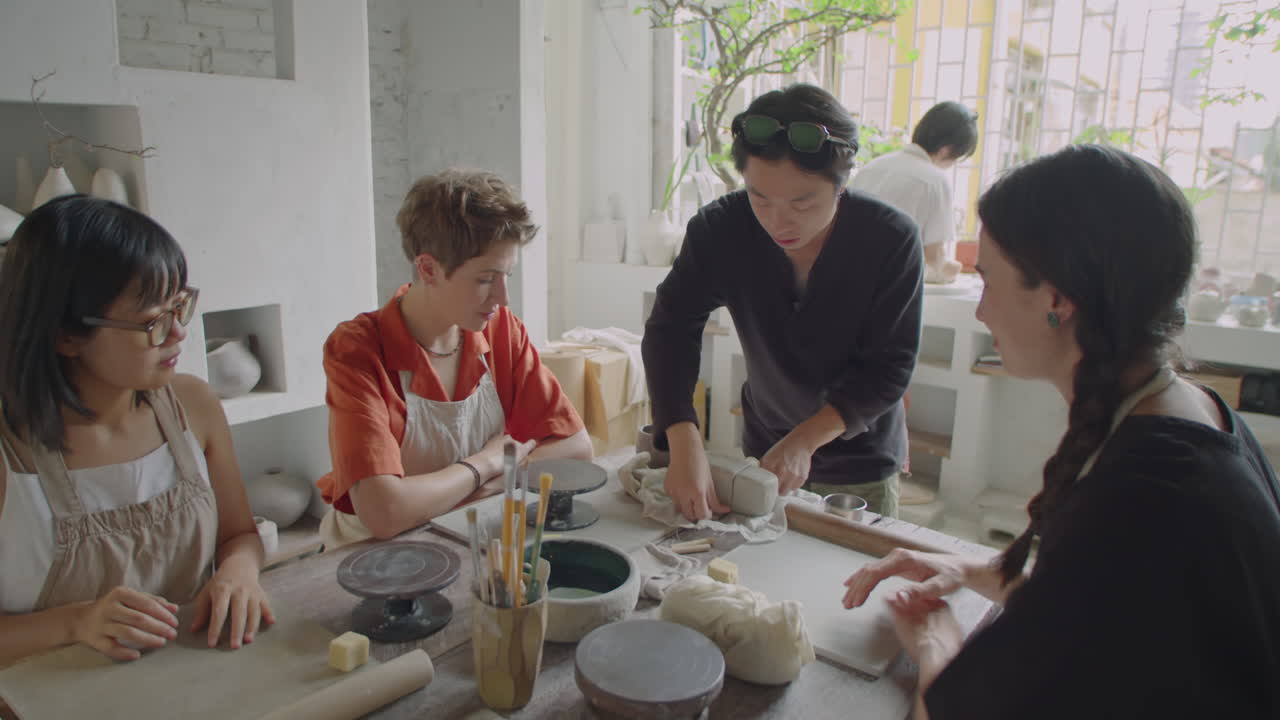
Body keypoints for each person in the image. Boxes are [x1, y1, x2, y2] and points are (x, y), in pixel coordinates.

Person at [842, 145, 1280, 718]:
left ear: (1055, 300)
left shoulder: (1146, 492)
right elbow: (1108, 614)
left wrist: (936, 645)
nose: (981, 312)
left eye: (988, 282)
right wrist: (966, 571)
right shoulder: (1192, 412)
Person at [0, 195, 272, 667]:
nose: (178, 334)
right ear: (65, 335)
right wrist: (78, 621)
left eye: (180, 307)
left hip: (193, 675)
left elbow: (239, 535)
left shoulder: (194, 407)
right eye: (152, 323)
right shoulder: (10, 451)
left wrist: (239, 571)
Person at [643, 83, 923, 520]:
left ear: (841, 182)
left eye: (803, 201)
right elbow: (671, 327)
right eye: (760, 197)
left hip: (859, 457)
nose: (778, 221)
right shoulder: (722, 230)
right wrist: (682, 437)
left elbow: (891, 367)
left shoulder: (889, 239)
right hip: (766, 442)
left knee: (848, 578)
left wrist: (806, 440)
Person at [318, 169, 591, 547]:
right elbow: (384, 512)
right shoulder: (358, 351)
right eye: (485, 279)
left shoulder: (500, 330)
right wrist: (486, 464)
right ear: (428, 268)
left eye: (507, 275)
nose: (503, 297)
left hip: (463, 534)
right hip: (372, 557)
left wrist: (490, 481)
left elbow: (576, 450)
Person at [850, 101, 978, 284]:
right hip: (891, 286)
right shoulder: (935, 180)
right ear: (947, 150)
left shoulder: (872, 167)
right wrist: (949, 269)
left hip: (849, 277)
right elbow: (935, 260)